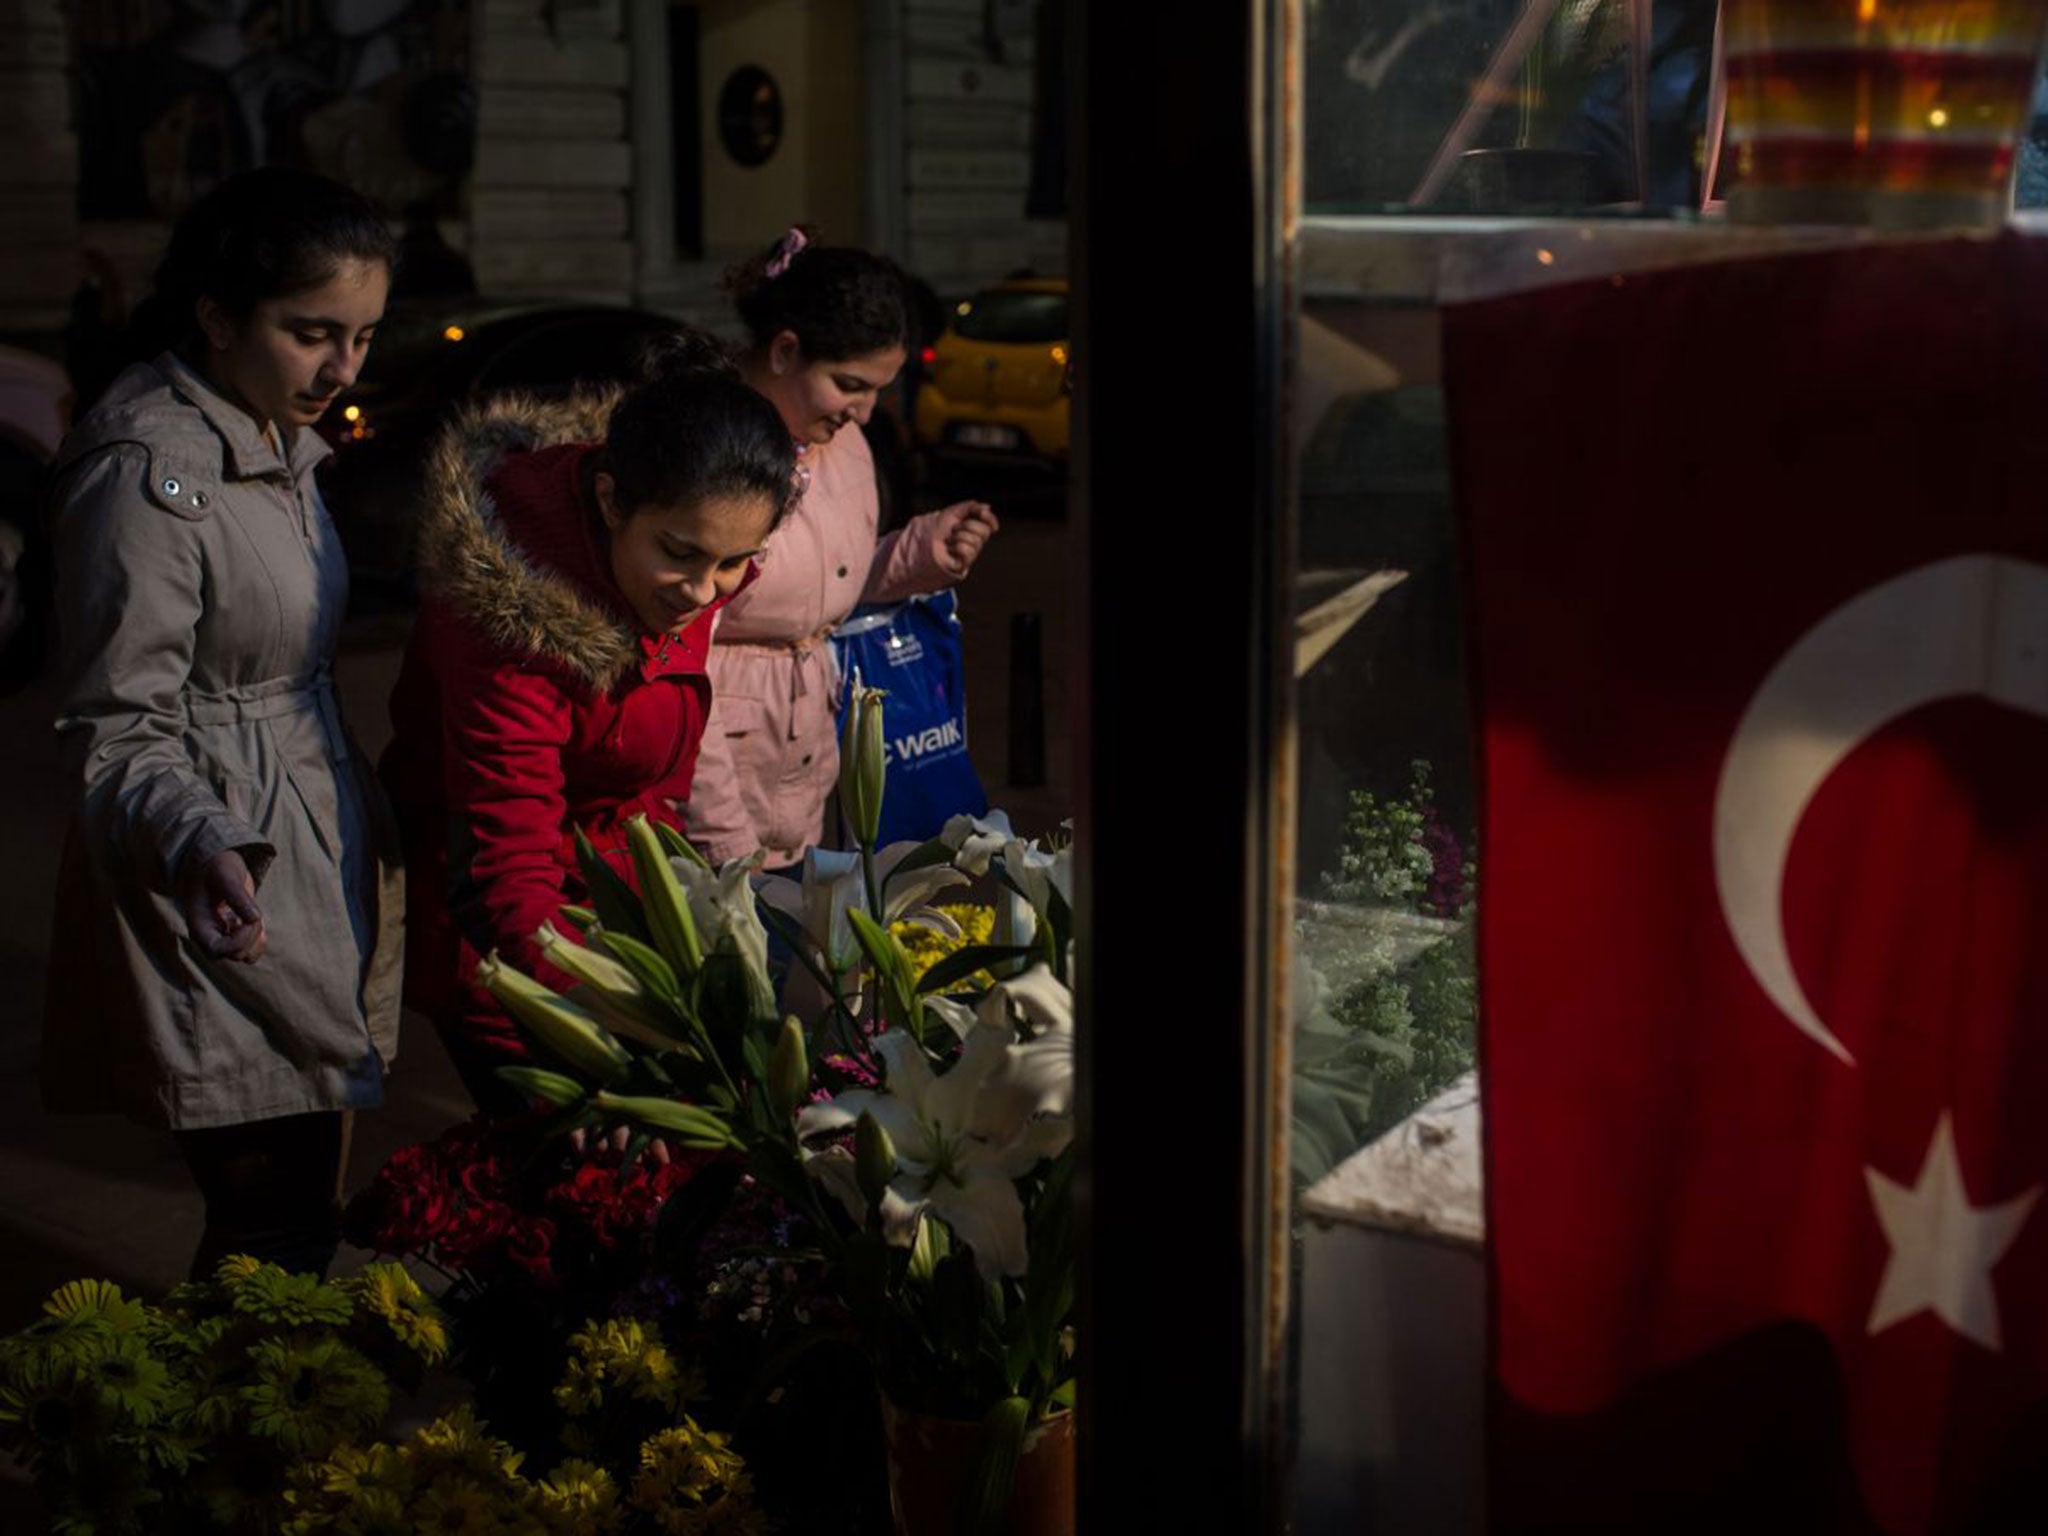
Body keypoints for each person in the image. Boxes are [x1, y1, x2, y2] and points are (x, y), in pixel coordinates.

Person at [43, 167, 404, 1279]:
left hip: (306, 846)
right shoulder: (150, 472)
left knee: (301, 1207)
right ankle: (232, 1448)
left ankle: (270, 1439)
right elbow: (116, 725)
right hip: (227, 870)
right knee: (271, 1227)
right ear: (215, 316)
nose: (343, 369)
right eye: (311, 334)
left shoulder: (272, 435)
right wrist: (203, 841)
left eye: (363, 336)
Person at [380, 331, 799, 1114]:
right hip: (510, 941)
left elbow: (651, 791)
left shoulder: (682, 562)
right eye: (681, 553)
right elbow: (506, 873)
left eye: (736, 561)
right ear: (610, 500)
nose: (704, 592)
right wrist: (625, 1033)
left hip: (617, 903)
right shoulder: (508, 622)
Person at [686, 227, 1000, 870]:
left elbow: (816, 587)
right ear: (784, 351)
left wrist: (916, 555)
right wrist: (727, 847)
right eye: (851, 384)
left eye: (880, 388)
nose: (865, 410)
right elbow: (676, 666)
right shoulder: (708, 454)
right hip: (715, 804)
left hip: (798, 788)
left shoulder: (842, 440)